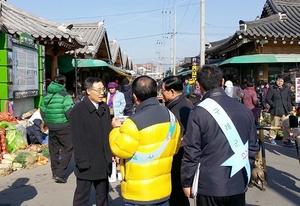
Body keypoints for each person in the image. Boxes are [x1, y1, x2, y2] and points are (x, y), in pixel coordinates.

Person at [181, 65, 259, 206]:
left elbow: (192, 151)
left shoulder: (198, 112)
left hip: (209, 184)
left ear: (198, 85)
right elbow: (253, 147)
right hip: (238, 182)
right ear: (222, 82)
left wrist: (187, 181)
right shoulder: (244, 110)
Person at [109, 75, 181, 206]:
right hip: (163, 190)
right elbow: (175, 148)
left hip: (139, 193)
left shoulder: (132, 123)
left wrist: (115, 129)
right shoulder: (171, 117)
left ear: (135, 97)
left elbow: (120, 150)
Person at [70, 77, 112, 206]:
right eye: (98, 90)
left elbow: (107, 133)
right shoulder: (78, 111)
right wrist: (82, 162)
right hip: (86, 162)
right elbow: (77, 140)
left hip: (103, 161)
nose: (102, 93)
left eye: (103, 89)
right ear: (88, 91)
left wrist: (112, 155)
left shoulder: (104, 107)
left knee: (103, 196)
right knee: (82, 197)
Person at [162, 76, 193, 206]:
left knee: (177, 195)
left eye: (163, 90)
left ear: (172, 91)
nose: (161, 93)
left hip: (179, 159)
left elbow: (184, 137)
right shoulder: (180, 103)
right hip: (178, 158)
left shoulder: (180, 109)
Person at [39, 74, 73, 183]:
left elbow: (42, 111)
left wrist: (48, 122)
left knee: (53, 150)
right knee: (68, 148)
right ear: (64, 83)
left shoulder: (46, 95)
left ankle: (54, 173)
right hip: (63, 126)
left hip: (51, 127)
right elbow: (69, 112)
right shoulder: (65, 95)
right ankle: (60, 173)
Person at [266, 75, 293, 146]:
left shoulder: (286, 89)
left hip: (285, 110)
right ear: (276, 81)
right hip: (275, 110)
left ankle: (287, 140)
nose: (279, 82)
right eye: (278, 81)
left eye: (281, 81)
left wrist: (290, 109)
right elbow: (268, 98)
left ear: (283, 82)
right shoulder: (272, 89)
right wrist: (273, 105)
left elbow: (288, 99)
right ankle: (272, 138)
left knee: (286, 125)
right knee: (274, 124)